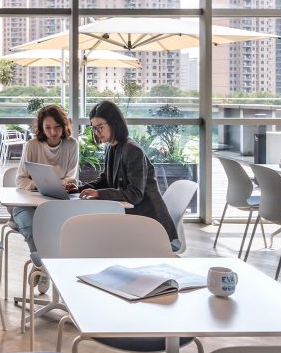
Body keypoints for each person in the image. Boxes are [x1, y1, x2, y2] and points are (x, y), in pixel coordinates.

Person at [77, 100, 179, 245]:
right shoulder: (111, 147)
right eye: (94, 128)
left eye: (100, 127)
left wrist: (99, 193)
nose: (97, 132)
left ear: (114, 124)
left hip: (151, 225)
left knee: (94, 234)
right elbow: (105, 180)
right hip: (134, 219)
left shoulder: (132, 150)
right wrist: (78, 189)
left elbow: (135, 195)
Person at [12, 104, 79, 252]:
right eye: (47, 127)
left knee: (67, 232)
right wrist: (38, 184)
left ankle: (45, 269)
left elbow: (71, 178)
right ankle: (41, 268)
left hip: (57, 205)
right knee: (32, 229)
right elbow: (20, 180)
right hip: (28, 205)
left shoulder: (71, 144)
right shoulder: (32, 145)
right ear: (41, 128)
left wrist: (60, 184)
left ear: (64, 125)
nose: (53, 132)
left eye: (57, 127)